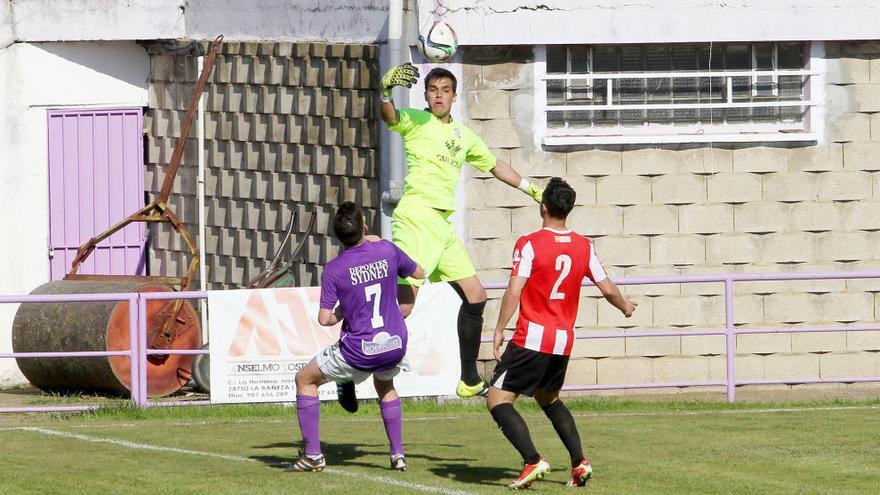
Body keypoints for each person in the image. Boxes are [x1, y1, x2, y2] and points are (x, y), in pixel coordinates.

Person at [380, 63, 544, 398]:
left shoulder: (463, 135)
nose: (438, 96)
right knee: (404, 307)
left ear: (454, 96)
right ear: (425, 94)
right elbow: (391, 118)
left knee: (476, 296)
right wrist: (384, 93)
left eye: (445, 90)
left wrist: (532, 190)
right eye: (433, 90)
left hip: (442, 225)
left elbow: (495, 165)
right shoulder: (417, 120)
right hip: (416, 219)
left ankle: (469, 379)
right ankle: (344, 357)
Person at [487, 178, 637, 489]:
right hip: (563, 339)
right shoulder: (584, 245)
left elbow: (515, 290)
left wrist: (500, 328)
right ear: (568, 209)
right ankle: (580, 464)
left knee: (497, 400)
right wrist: (625, 306)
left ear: (543, 206)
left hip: (532, 336)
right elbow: (607, 288)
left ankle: (532, 460)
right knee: (548, 397)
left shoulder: (529, 243)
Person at [289, 201, 425, 472]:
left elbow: (325, 319)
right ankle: (398, 454)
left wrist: (342, 310)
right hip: (394, 342)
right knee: (385, 386)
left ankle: (313, 455)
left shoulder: (335, 268)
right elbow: (419, 274)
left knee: (304, 379)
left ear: (338, 237)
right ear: (364, 227)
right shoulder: (387, 250)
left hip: (360, 348)